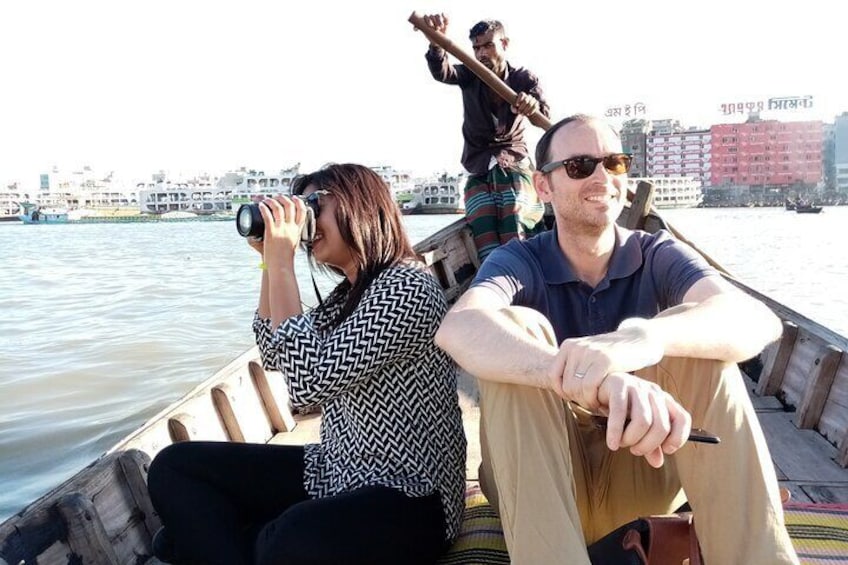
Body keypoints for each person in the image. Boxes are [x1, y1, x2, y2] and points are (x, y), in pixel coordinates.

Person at [434, 115, 800, 564]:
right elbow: (459, 327)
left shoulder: (656, 253)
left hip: (643, 471)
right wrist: (576, 374)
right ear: (543, 187)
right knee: (516, 331)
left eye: (615, 162)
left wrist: (643, 338)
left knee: (699, 338)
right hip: (541, 487)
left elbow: (757, 321)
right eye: (580, 165)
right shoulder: (520, 259)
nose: (602, 177)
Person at [148, 163, 467, 565]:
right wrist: (269, 262)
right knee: (175, 468)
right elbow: (274, 350)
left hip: (410, 495)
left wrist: (284, 265)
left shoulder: (408, 286)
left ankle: (240, 542)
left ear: (360, 207)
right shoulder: (348, 294)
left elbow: (309, 383)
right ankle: (246, 543)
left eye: (315, 205)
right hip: (336, 469)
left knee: (287, 540)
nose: (306, 221)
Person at [420, 13, 549, 261]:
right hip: (478, 164)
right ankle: (498, 275)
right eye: (476, 47)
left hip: (513, 162)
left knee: (516, 220)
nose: (481, 54)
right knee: (484, 230)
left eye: (488, 45)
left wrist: (530, 104)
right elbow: (442, 72)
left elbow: (544, 115)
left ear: (505, 44)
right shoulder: (470, 74)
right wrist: (436, 42)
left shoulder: (523, 78)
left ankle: (531, 271)